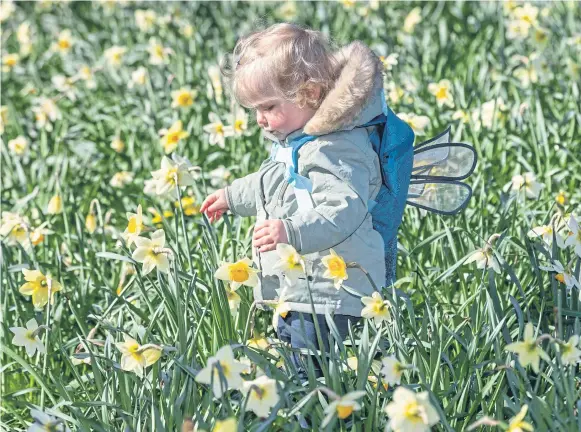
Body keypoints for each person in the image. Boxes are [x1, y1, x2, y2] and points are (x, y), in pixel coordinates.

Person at [200, 23, 390, 380]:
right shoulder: (300, 143)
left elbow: (343, 209)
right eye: (253, 109)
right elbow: (270, 181)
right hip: (305, 285)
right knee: (304, 360)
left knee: (308, 370)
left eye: (268, 106)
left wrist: (292, 231)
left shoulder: (337, 149)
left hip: (333, 287)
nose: (259, 119)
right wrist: (230, 196)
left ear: (310, 93)